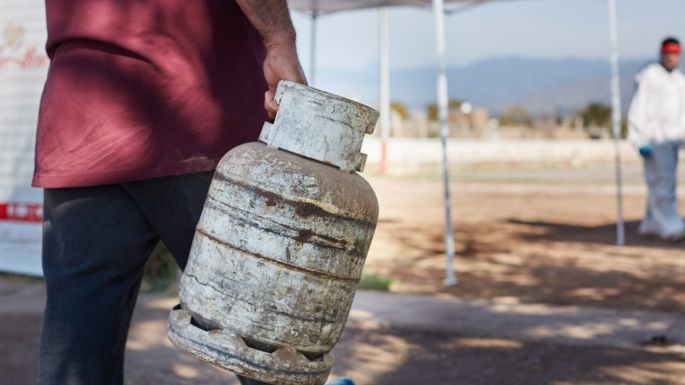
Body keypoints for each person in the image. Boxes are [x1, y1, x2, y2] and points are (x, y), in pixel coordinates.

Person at [31, 1, 332, 384]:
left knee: (76, 352)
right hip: (197, 115)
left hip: (81, 123)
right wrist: (280, 40)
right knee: (272, 347)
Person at [628, 37, 685, 241]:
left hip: (673, 141)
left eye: (675, 53)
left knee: (663, 181)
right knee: (662, 182)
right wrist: (638, 138)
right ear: (661, 53)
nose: (671, 57)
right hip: (654, 139)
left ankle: (652, 222)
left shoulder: (679, 80)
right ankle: (670, 224)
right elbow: (638, 107)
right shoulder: (650, 76)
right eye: (667, 53)